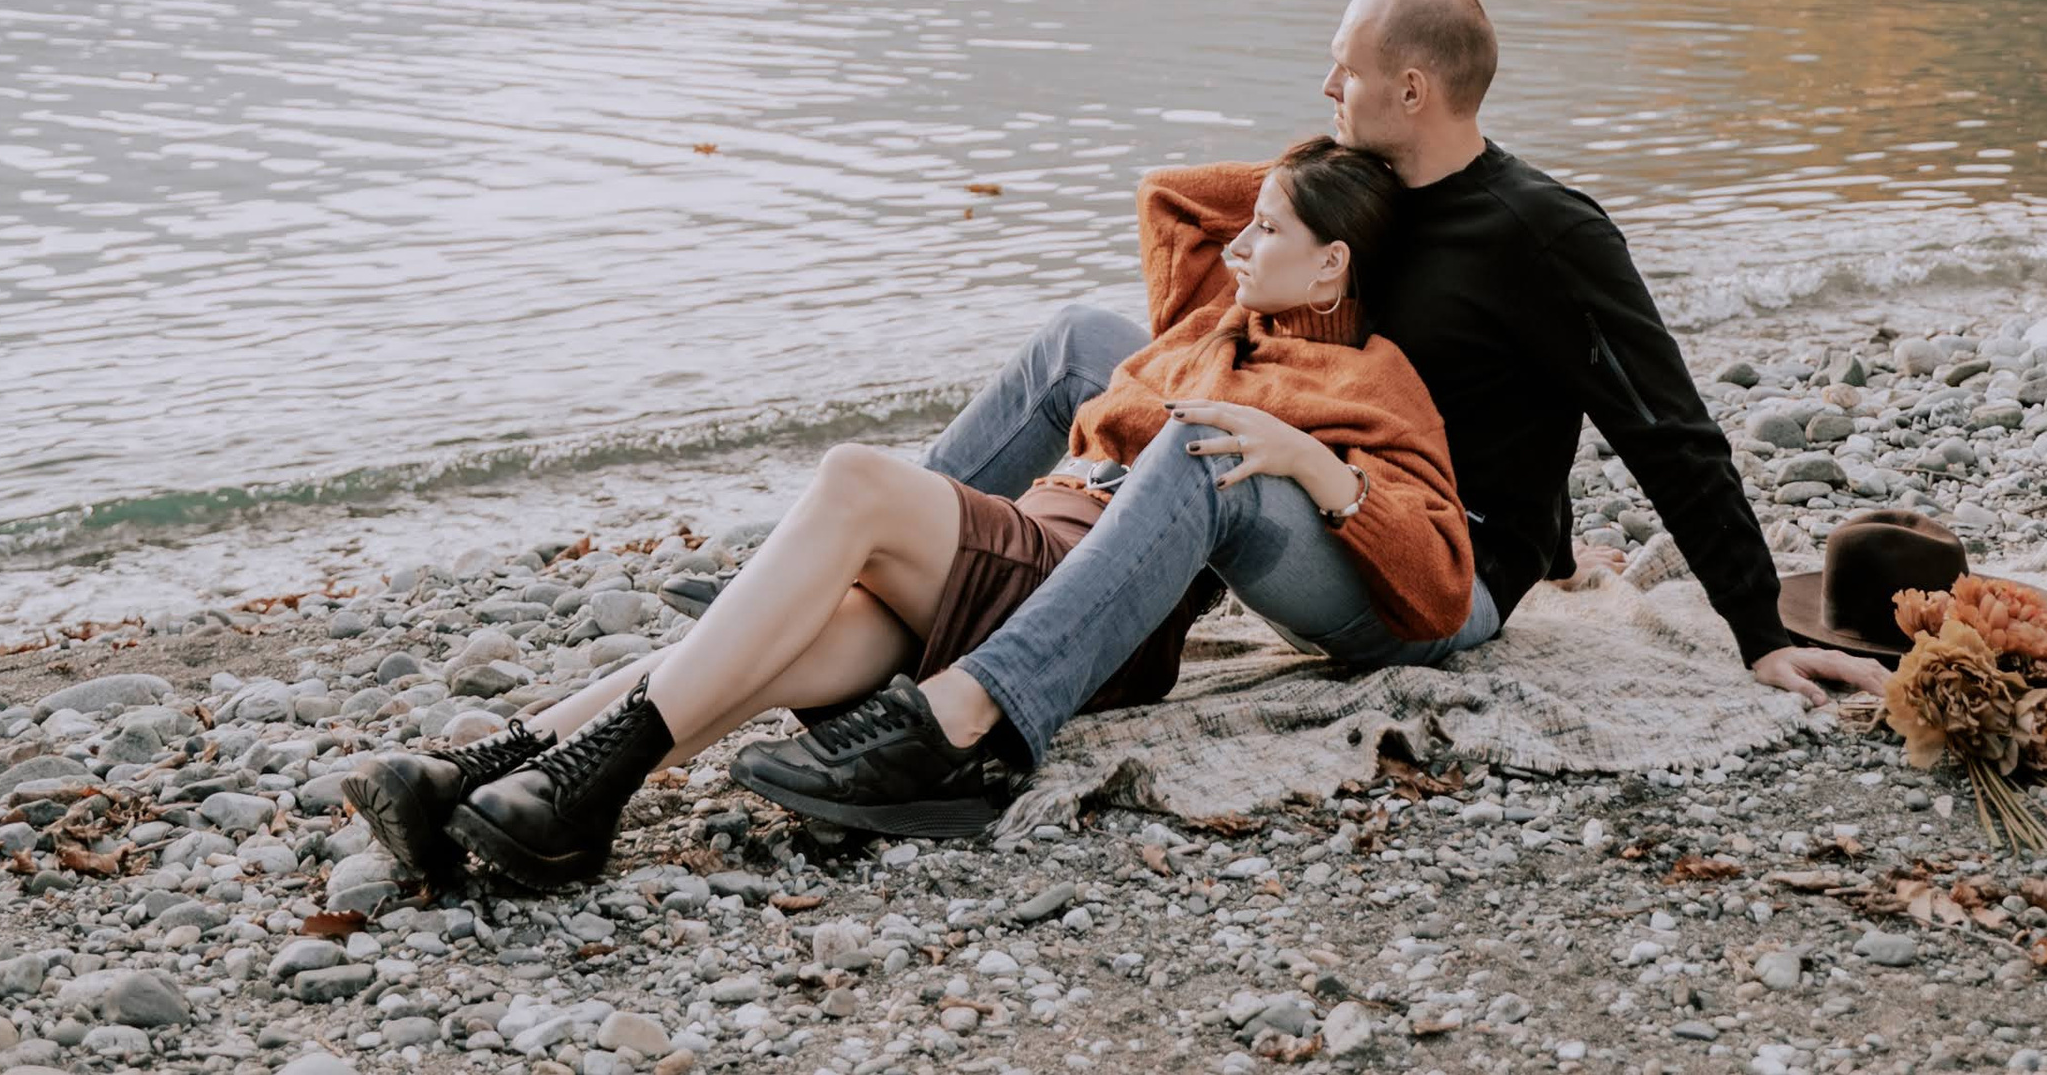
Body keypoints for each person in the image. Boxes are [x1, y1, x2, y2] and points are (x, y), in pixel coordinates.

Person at [739, 0, 1886, 836]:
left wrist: (1756, 628)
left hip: (1433, 567)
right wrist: (1296, 192)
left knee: (1200, 446)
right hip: (1318, 483)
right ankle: (864, 568)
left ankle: (972, 722)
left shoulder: (1547, 232)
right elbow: (1187, 217)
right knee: (1078, 342)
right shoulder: (1375, 192)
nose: (1324, 84)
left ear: (1411, 88)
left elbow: (1667, 428)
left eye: (1342, 67)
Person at [343, 132, 1472, 887]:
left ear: (1329, 273)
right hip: (1018, 546)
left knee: (854, 481)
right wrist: (1322, 166)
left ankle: (585, 786)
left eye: (1265, 233)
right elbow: (1174, 202)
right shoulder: (1211, 322)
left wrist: (1319, 471)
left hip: (1075, 597)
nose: (1232, 245)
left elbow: (1433, 581)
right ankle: (496, 769)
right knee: (765, 649)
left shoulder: (1365, 381)